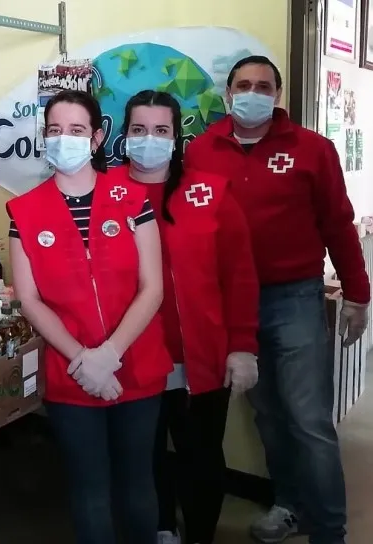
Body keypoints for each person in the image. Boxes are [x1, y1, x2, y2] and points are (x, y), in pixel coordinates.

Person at [186, 55, 370, 544]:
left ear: (278, 95)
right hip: (230, 307)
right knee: (266, 415)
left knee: (309, 420)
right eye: (243, 85)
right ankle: (289, 504)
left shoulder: (313, 150)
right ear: (228, 94)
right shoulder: (201, 151)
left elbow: (338, 224)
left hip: (294, 300)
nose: (253, 92)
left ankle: (330, 530)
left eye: (263, 86)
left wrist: (358, 294)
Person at [7, 89, 172, 544]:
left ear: (97, 137)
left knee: (138, 486)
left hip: (135, 366)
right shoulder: (24, 211)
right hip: (71, 374)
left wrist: (110, 355)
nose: (65, 139)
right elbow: (30, 298)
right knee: (90, 492)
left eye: (77, 130)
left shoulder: (132, 198)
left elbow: (152, 287)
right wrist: (84, 360)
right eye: (55, 130)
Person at [110, 90, 260, 544]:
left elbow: (240, 276)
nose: (149, 139)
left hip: (201, 358)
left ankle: (198, 536)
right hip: (132, 358)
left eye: (161, 130)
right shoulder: (104, 194)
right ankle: (158, 529)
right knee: (143, 455)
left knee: (201, 458)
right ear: (124, 135)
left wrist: (242, 347)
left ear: (177, 138)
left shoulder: (211, 192)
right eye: (139, 130)